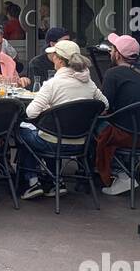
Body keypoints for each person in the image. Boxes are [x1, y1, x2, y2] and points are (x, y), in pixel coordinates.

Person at [17, 39, 107, 199]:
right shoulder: (89, 83)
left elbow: (30, 113)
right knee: (49, 132)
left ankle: (32, 181)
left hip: (52, 144)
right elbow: (105, 105)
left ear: (59, 59)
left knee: (22, 129)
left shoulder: (52, 84)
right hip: (81, 144)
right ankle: (55, 181)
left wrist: (50, 110)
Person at [95, 32, 140, 197]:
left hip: (130, 137)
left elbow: (103, 106)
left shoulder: (113, 74)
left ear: (118, 54)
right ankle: (125, 169)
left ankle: (119, 173)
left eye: (112, 49)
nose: (110, 52)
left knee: (95, 125)